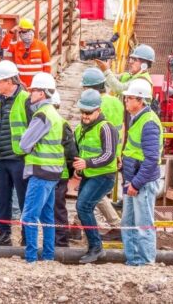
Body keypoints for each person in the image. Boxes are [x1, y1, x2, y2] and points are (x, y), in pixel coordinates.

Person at [19, 73, 64, 263]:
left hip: (40, 172)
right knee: (47, 217)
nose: (30, 94)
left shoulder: (42, 115)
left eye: (34, 90)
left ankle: (30, 257)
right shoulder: (54, 113)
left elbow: (24, 144)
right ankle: (48, 256)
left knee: (29, 216)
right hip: (53, 172)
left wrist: (31, 145)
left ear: (44, 93)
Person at [120, 79, 163, 266]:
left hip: (141, 183)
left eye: (129, 98)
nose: (126, 102)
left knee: (143, 225)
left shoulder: (149, 123)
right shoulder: (137, 118)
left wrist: (136, 183)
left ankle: (145, 262)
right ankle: (133, 260)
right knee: (128, 224)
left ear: (140, 100)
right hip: (133, 180)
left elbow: (151, 159)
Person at [0, 60, 31, 246]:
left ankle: (26, 236)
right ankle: (4, 234)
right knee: (3, 199)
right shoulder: (2, 100)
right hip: (2, 157)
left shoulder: (26, 100)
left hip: (18, 158)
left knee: (23, 200)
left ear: (9, 81)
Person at [73, 90, 119, 263]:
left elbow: (109, 155)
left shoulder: (106, 128)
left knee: (83, 206)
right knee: (83, 207)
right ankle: (93, 245)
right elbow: (79, 151)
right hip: (89, 174)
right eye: (82, 112)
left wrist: (87, 163)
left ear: (98, 110)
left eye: (88, 113)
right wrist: (78, 168)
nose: (84, 116)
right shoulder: (80, 129)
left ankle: (96, 247)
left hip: (103, 175)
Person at [80, 67, 124, 235]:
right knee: (91, 194)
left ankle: (115, 225)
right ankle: (79, 225)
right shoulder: (117, 103)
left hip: (95, 158)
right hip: (112, 154)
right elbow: (121, 129)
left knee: (91, 195)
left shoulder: (94, 105)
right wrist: (118, 153)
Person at [52, 90, 78, 249]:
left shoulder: (37, 121)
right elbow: (71, 154)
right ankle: (60, 242)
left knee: (53, 209)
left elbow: (70, 153)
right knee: (58, 210)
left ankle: (59, 241)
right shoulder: (62, 123)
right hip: (59, 174)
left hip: (45, 173)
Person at [3, 19, 51, 88]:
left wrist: (45, 82)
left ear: (32, 31)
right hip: (21, 85)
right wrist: (11, 31)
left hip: (37, 85)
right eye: (22, 32)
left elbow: (47, 65)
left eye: (27, 31)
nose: (25, 34)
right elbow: (4, 46)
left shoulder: (41, 45)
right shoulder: (17, 45)